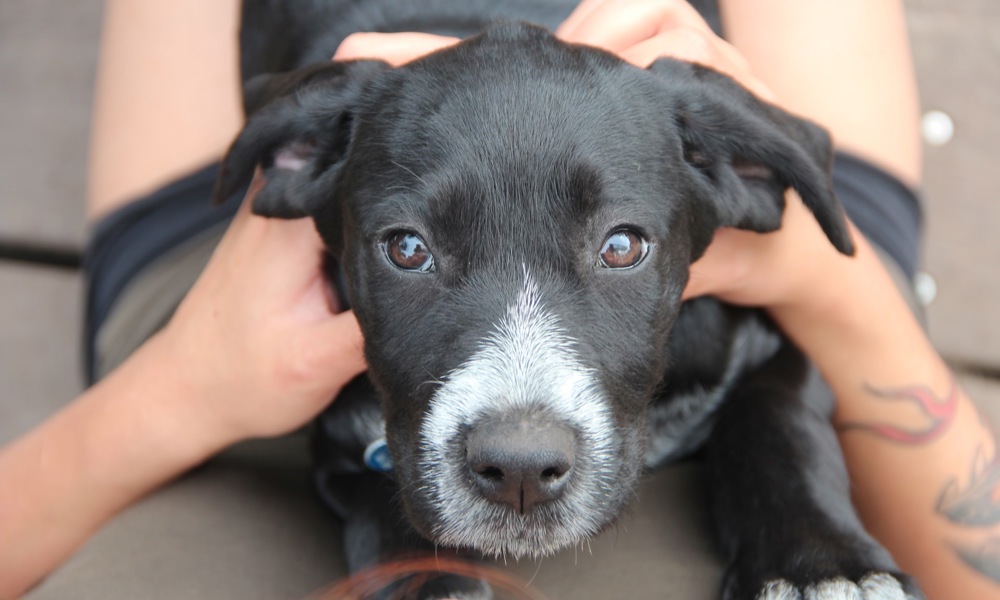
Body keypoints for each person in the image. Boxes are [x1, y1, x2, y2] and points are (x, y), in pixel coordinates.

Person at [0, 0, 995, 598]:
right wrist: (832, 292)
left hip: (246, 251)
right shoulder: (727, 226)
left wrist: (180, 385)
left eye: (615, 249)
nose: (519, 437)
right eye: (406, 250)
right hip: (634, 135)